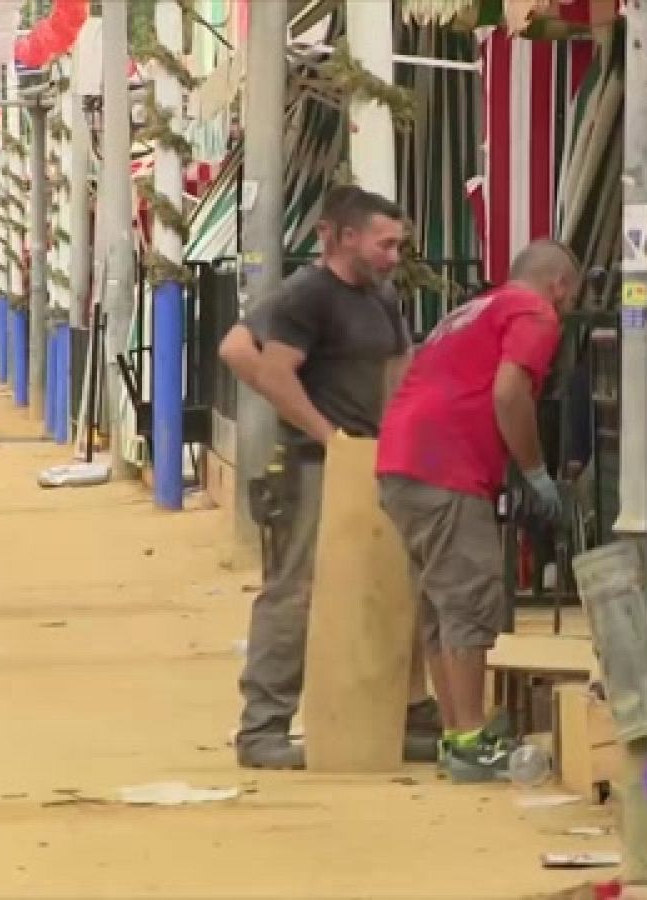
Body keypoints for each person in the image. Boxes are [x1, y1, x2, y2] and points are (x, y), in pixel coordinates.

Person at [223, 187, 436, 771]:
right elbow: (265, 365)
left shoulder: (382, 298)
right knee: (297, 591)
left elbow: (398, 370)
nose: (394, 254)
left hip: (374, 461)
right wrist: (327, 436)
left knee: (389, 583)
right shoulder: (307, 296)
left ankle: (400, 713)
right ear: (345, 237)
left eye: (398, 243)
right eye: (384, 243)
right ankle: (263, 726)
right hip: (317, 468)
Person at [376, 239, 581, 783]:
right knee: (468, 595)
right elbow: (510, 392)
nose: (567, 309)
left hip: (403, 461)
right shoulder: (534, 313)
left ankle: (457, 733)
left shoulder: (476, 310)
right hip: (447, 467)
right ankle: (469, 741)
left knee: (442, 603)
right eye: (571, 296)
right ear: (560, 284)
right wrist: (536, 470)